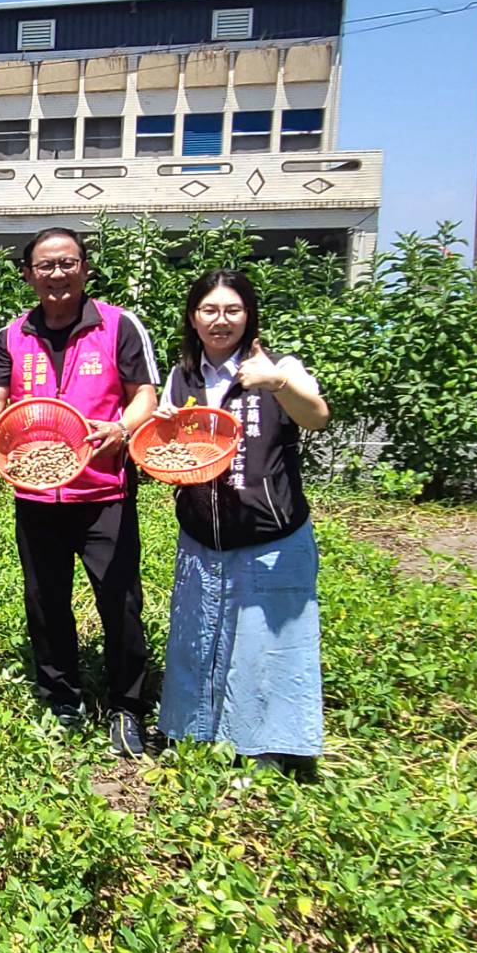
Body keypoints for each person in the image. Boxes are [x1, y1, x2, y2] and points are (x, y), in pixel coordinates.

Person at [0, 227, 160, 757]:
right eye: (45, 266)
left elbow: (145, 395)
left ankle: (127, 708)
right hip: (36, 490)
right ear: (27, 275)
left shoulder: (119, 326)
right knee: (46, 601)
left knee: (118, 600)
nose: (56, 274)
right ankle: (61, 700)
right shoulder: (12, 336)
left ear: (85, 268)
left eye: (66, 263)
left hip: (104, 490)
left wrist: (122, 428)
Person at [154, 269, 329, 771]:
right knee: (199, 635)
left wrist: (277, 384)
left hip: (270, 535)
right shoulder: (183, 377)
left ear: (248, 316)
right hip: (202, 534)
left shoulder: (279, 367)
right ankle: (194, 736)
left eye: (232, 310)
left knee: (265, 644)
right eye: (209, 310)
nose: (220, 320)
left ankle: (267, 750)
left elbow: (316, 415)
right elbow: (168, 439)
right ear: (193, 318)